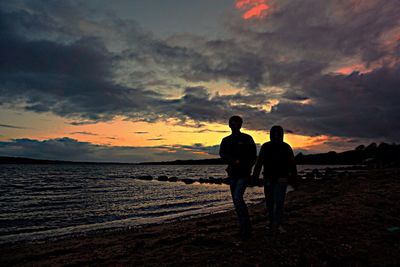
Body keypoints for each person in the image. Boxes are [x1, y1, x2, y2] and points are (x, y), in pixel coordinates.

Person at [252, 125, 297, 234]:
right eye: (274, 133)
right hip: (268, 178)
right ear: (271, 134)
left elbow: (292, 164)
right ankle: (271, 223)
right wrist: (254, 177)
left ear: (281, 134)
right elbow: (259, 162)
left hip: (282, 178)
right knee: (269, 202)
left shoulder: (286, 147)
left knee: (279, 202)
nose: (276, 136)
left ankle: (279, 224)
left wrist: (294, 179)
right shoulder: (266, 146)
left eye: (278, 133)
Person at [219, 115, 257, 239]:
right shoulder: (226, 140)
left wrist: (247, 167)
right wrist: (232, 161)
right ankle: (244, 228)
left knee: (237, 197)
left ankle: (246, 228)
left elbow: (253, 156)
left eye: (237, 123)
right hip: (232, 174)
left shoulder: (247, 138)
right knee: (236, 201)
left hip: (244, 174)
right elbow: (222, 153)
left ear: (240, 124)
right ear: (229, 125)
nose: (234, 125)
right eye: (232, 123)